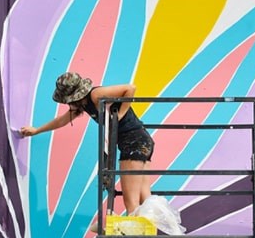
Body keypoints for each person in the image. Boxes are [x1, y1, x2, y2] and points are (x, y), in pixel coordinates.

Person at [20, 72, 155, 216]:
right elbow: (62, 120)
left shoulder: (95, 95)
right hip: (142, 141)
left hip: (133, 142)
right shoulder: (84, 105)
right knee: (144, 199)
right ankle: (149, 236)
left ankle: (135, 237)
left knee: (131, 203)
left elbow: (130, 88)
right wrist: (37, 130)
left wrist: (120, 115)